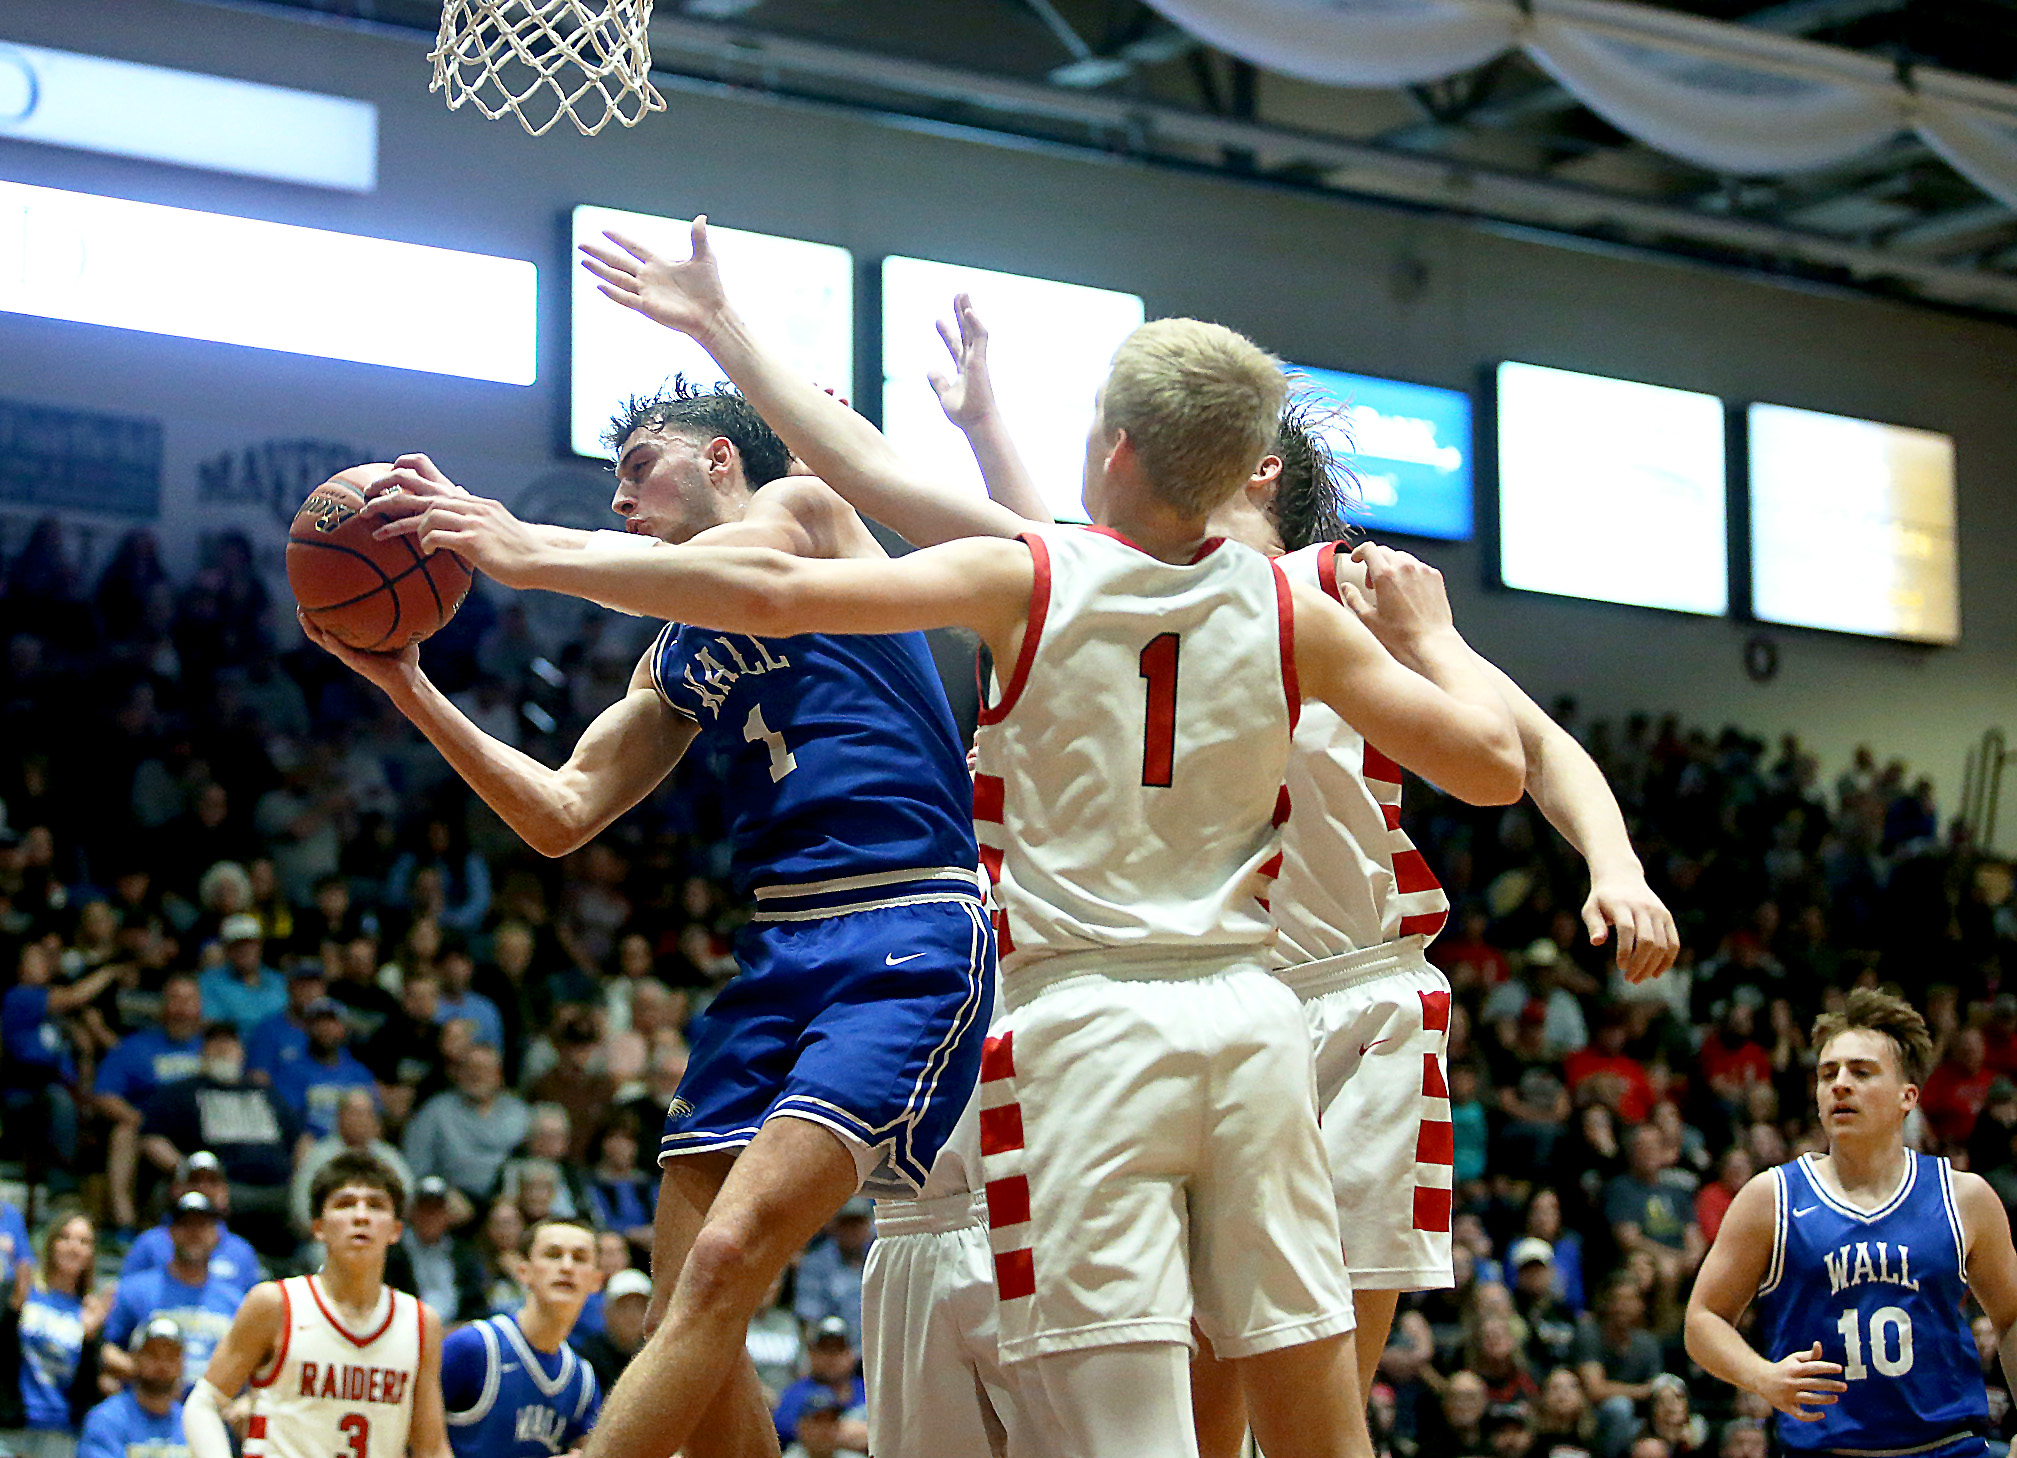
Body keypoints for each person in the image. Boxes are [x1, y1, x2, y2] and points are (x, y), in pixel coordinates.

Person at [426, 219, 1527, 1458]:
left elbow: (803, 552)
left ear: (1111, 450)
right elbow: (1492, 770)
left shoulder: (1038, 572)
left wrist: (665, 389)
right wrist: (1433, 642)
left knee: (1139, 1434)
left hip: (1087, 1030)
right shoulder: (1291, 610)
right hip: (1248, 1024)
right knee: (1315, 1433)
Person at [907, 301, 1679, 1436]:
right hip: (1224, 1006)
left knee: (1317, 1404)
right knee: (1208, 1398)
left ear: (1253, 471)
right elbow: (1045, 559)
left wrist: (1614, 865)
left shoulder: (1335, 587)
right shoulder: (1150, 589)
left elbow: (1532, 746)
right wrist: (983, 423)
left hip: (1360, 1002)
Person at [313, 288, 993, 1458]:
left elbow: (758, 565)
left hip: (905, 923)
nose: (620, 497)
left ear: (720, 456)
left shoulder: (808, 510)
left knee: (732, 1260)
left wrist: (522, 546)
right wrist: (408, 688)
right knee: (689, 1312)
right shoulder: (669, 650)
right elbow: (561, 813)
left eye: (640, 465)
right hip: (776, 950)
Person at [1687, 988, 2017, 1458]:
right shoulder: (1772, 1197)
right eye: (1828, 1074)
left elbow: (2011, 1316)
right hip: (1825, 1449)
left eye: (1861, 1072)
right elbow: (1703, 1319)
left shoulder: (1963, 1196)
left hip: (1948, 1446)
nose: (1840, 1084)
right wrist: (1763, 1376)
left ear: (1908, 1097)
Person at [183, 1153, 448, 1458]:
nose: (361, 1216)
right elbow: (204, 1402)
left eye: (375, 1205)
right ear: (318, 1227)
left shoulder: (419, 1322)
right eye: (345, 1204)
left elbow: (432, 1447)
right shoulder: (276, 1304)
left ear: (395, 1231)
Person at [441, 1219, 601, 1458]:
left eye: (579, 1258)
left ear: (596, 1281)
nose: (567, 1266)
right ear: (523, 1271)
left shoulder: (582, 1380)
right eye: (553, 1254)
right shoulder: (473, 1347)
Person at [140, 1026, 301, 1255]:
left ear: (242, 1053)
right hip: (216, 1185)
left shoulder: (265, 1093)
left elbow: (300, 1139)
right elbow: (152, 1139)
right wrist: (190, 1173)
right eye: (215, 1043)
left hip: (278, 1189)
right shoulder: (181, 1092)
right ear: (202, 1053)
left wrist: (299, 1176)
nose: (223, 1049)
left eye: (230, 1043)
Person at [95, 972, 207, 1239]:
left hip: (207, 1130)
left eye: (188, 1000)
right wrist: (137, 1118)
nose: (181, 1008)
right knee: (124, 1133)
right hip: (150, 1131)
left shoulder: (212, 1046)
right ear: (162, 1006)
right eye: (174, 999)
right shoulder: (135, 1046)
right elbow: (103, 1096)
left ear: (200, 1006)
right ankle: (125, 1224)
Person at [102, 1195, 243, 1395]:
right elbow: (107, 1348)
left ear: (216, 1234)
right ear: (170, 1232)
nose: (194, 1233)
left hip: (212, 1412)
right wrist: (150, 1374)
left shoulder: (236, 1302)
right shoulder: (135, 1291)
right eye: (185, 1225)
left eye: (202, 1226)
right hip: (150, 1410)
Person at [3, 1215, 112, 1458]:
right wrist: (12, 1311)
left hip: (61, 1432)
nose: (74, 1247)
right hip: (11, 1425)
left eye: (84, 1241)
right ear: (51, 1243)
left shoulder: (90, 1310)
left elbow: (88, 1385)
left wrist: (91, 1338)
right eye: (65, 1238)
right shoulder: (20, 1291)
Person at [400, 1047, 528, 1205]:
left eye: (484, 1069)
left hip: (508, 1201)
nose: (477, 1075)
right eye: (470, 1068)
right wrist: (443, 1193)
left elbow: (532, 1160)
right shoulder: (435, 1111)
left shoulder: (518, 1112)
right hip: (452, 1201)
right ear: (458, 1073)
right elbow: (416, 1167)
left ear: (499, 1075)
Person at [121, 1155, 261, 1293]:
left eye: (212, 1181)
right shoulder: (149, 1244)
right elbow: (126, 1296)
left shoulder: (242, 1251)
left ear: (225, 1190)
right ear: (176, 1188)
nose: (203, 1188)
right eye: (194, 1180)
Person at [293, 1092, 415, 1242]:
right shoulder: (318, 1156)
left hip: (384, 1239)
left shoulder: (389, 1156)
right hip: (329, 1241)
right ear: (340, 1117)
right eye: (355, 1113)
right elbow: (303, 1211)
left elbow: (409, 1200)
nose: (361, 1120)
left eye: (367, 1114)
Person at [77, 1317, 188, 1458]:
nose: (162, 1364)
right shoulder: (107, 1419)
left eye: (171, 1356)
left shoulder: (190, 1424)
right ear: (135, 1357)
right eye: (153, 1354)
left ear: (182, 1363)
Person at [270, 1000, 378, 1141]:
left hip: (355, 1145)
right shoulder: (291, 1071)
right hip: (313, 1146)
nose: (326, 1028)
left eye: (332, 1022)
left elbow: (375, 1117)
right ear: (307, 1028)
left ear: (343, 1028)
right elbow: (288, 1121)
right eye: (319, 1022)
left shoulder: (359, 1073)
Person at [771, 1319, 866, 1454]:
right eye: (824, 1350)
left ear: (851, 1354)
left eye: (838, 1350)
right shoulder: (795, 1393)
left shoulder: (868, 1391)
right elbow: (780, 1427)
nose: (831, 1358)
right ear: (811, 1354)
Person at [196, 916, 286, 1038]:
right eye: (238, 945)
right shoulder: (209, 982)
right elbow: (212, 1024)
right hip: (231, 1047)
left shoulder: (279, 980)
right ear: (226, 950)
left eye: (251, 944)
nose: (245, 950)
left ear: (260, 946)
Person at [570, 1268, 649, 1396]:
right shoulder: (587, 1358)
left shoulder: (653, 1355)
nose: (632, 1316)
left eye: (639, 1307)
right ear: (607, 1312)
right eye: (624, 1307)